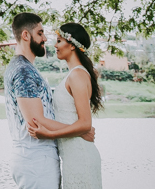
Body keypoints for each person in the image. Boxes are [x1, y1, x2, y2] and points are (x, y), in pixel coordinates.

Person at [28, 22, 104, 189]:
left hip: (80, 157)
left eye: (59, 41)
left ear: (72, 45)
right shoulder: (74, 74)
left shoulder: (77, 75)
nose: (55, 45)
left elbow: (85, 123)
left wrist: (49, 134)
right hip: (72, 157)